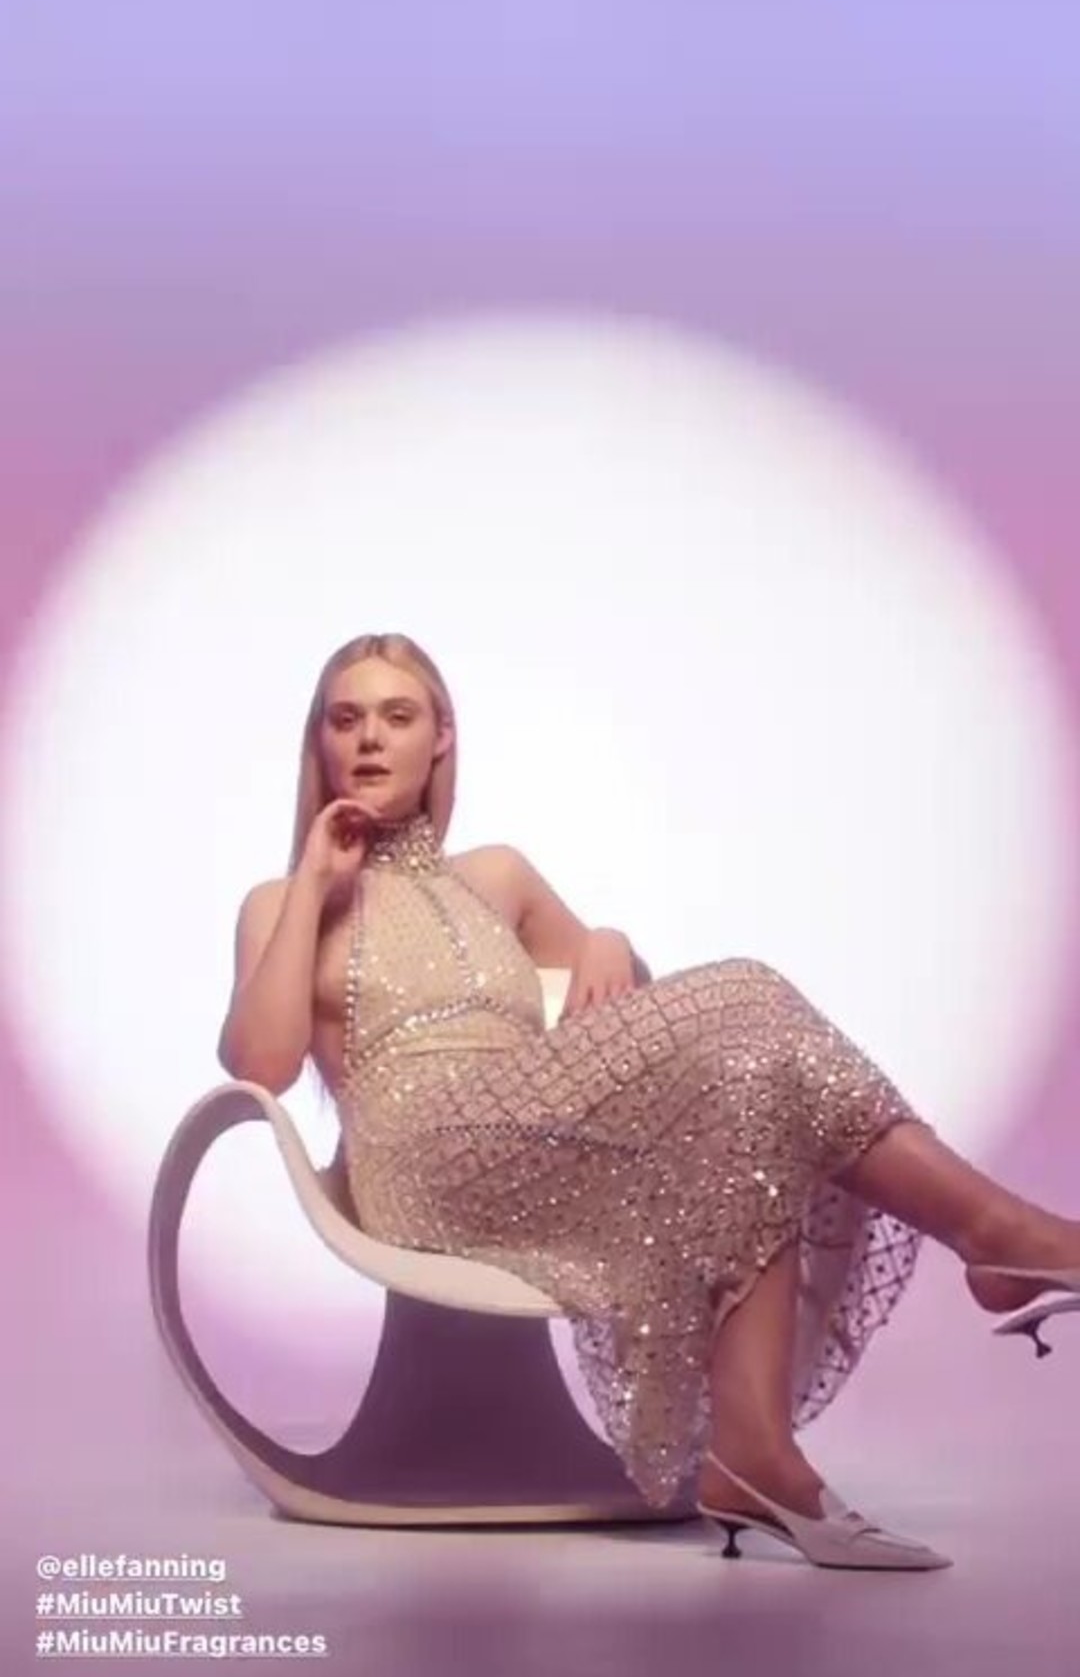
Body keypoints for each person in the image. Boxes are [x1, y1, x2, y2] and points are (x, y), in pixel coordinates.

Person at [217, 631, 1080, 1571]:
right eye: (346, 719)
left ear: (442, 739)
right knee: (747, 989)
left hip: (530, 1143)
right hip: (418, 1163)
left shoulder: (497, 876)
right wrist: (317, 879)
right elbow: (261, 1060)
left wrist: (609, 942)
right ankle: (1000, 1238)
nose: (370, 739)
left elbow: (623, 993)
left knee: (750, 1089)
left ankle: (753, 1456)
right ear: (320, 741)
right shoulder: (280, 900)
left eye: (397, 716)